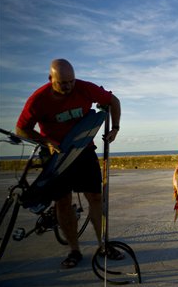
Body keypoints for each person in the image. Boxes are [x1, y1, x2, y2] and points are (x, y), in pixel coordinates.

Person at [16, 59, 123, 268]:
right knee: (63, 201)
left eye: (71, 81)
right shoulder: (38, 99)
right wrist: (45, 141)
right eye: (63, 83)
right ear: (51, 79)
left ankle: (104, 244)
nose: (68, 86)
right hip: (55, 155)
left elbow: (113, 101)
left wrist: (116, 128)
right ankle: (74, 250)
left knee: (95, 197)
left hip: (83, 150)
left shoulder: (83, 88)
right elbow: (21, 129)